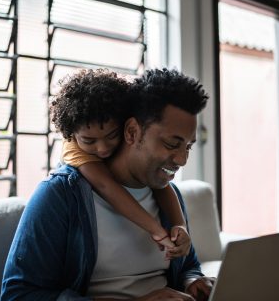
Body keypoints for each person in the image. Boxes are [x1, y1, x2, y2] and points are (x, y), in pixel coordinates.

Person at [1, 68, 215, 301]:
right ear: (132, 131)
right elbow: (18, 296)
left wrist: (193, 281)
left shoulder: (166, 191)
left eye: (188, 147)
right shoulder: (61, 194)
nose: (182, 160)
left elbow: (187, 265)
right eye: (172, 144)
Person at [49, 68, 190, 258]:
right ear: (71, 135)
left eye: (112, 136)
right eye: (89, 141)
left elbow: (162, 186)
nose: (102, 148)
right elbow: (105, 185)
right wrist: (155, 229)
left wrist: (180, 225)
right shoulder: (74, 148)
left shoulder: (123, 132)